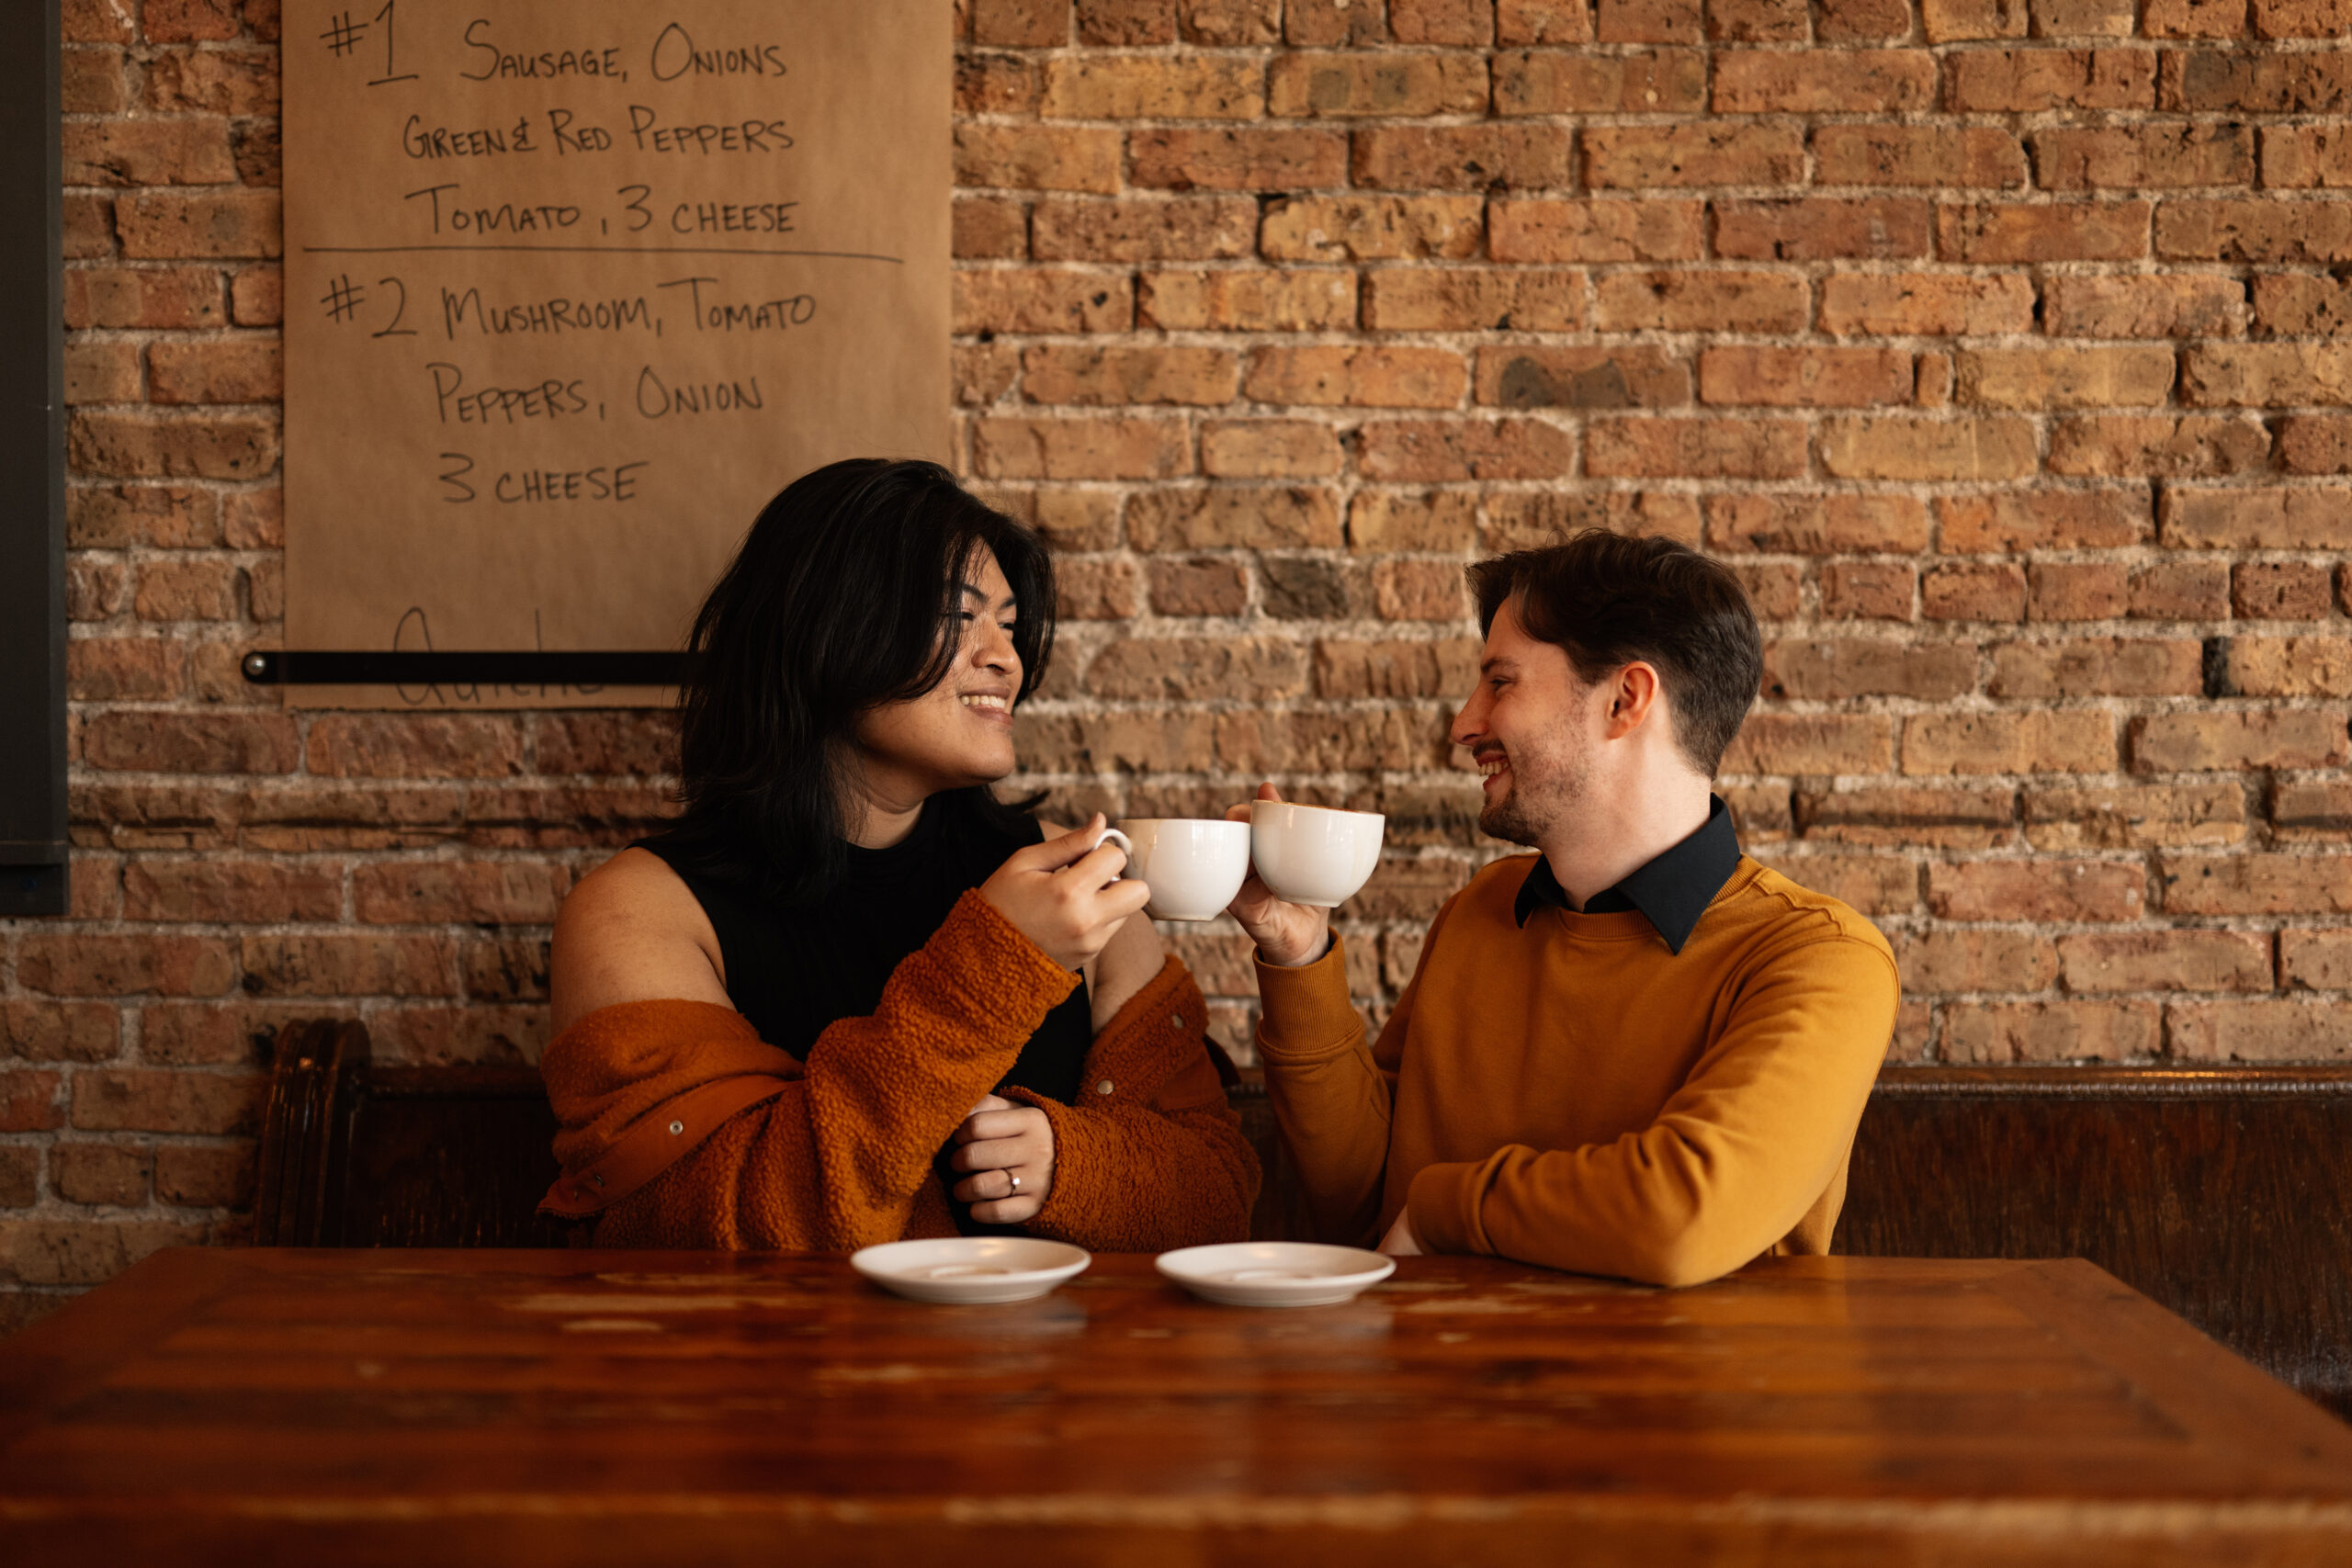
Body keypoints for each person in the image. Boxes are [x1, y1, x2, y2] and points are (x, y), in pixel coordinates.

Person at [540, 458, 1258, 1252]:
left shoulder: (1072, 883)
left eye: (1010, 627)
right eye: (959, 618)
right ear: (823, 626)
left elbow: (1219, 1188)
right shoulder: (640, 911)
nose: (1006, 661)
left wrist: (1069, 1165)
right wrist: (996, 969)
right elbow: (701, 1227)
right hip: (773, 1374)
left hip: (1046, 1370)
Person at [1231, 530, 1899, 1288]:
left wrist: (1444, 1207)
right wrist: (1296, 951)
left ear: (1625, 699)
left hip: (1692, 1404)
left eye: (1501, 682)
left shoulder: (1821, 959)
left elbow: (1681, 1217)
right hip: (1438, 1390)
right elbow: (1362, 1214)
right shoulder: (1480, 912)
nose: (1463, 723)